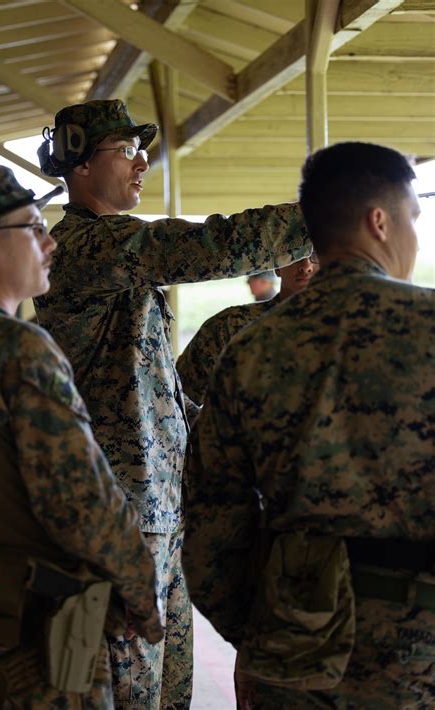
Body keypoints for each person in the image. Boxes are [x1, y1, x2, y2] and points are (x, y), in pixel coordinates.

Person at [33, 98, 311, 710]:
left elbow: (156, 391)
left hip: (157, 509)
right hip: (120, 518)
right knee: (129, 686)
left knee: (167, 688)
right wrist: (329, 213)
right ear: (77, 164)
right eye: (126, 151)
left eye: (143, 152)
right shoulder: (86, 247)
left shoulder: (120, 265)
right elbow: (214, 246)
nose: (141, 165)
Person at [182, 142, 435, 709]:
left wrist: (263, 636)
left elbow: (209, 534)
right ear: (380, 221)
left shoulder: (251, 350)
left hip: (292, 657)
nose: (415, 239)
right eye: (413, 219)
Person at [0, 165, 163, 708]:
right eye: (30, 227)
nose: (49, 242)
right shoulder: (17, 349)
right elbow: (82, 502)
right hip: (24, 641)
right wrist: (142, 596)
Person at [176, 255, 319, 406]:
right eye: (297, 255)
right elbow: (177, 400)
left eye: (316, 255)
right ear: (277, 266)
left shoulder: (344, 330)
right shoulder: (229, 326)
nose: (306, 266)